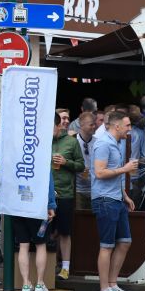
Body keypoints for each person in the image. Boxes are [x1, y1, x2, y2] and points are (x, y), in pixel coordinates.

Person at [91, 111, 138, 291]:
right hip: (104, 199)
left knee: (125, 241)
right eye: (127, 125)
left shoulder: (116, 143)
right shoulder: (103, 143)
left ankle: (112, 284)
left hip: (115, 198)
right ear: (116, 126)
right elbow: (100, 173)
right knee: (107, 245)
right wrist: (125, 169)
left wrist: (124, 195)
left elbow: (111, 174)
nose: (130, 129)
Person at [51, 112, 85, 280]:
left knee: (65, 232)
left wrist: (66, 162)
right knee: (46, 231)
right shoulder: (40, 141)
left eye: (51, 127)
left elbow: (81, 166)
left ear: (59, 126)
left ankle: (65, 268)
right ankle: (49, 266)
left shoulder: (72, 142)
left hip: (65, 193)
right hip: (46, 194)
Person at [13, 171, 56, 291]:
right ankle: (39, 283)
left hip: (18, 203)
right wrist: (51, 205)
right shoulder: (42, 155)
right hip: (37, 204)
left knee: (23, 245)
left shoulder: (16, 155)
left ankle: (26, 284)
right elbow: (48, 182)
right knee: (41, 244)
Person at [74, 111, 98, 210]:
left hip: (94, 189)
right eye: (91, 124)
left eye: (94, 124)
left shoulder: (97, 142)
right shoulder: (73, 141)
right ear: (81, 125)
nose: (94, 127)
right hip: (78, 189)